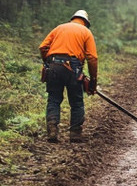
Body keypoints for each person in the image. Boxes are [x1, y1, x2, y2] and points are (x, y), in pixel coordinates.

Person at [39, 10, 98, 142]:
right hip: (73, 68)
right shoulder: (86, 32)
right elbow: (92, 58)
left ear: (72, 19)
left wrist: (47, 62)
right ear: (86, 22)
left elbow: (43, 47)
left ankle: (52, 130)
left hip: (54, 66)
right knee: (76, 101)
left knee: (53, 98)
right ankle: (75, 133)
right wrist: (93, 80)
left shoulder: (59, 28)